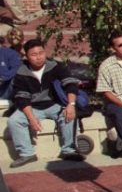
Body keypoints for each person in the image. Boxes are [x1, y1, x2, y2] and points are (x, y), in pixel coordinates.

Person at [9, 39, 83, 167]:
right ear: (26, 56)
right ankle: (27, 154)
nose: (38, 57)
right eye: (34, 54)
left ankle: (69, 150)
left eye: (41, 53)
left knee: (69, 115)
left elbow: (70, 84)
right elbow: (21, 98)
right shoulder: (21, 72)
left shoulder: (55, 66)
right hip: (32, 107)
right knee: (14, 120)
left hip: (54, 104)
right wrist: (31, 118)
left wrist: (71, 105)